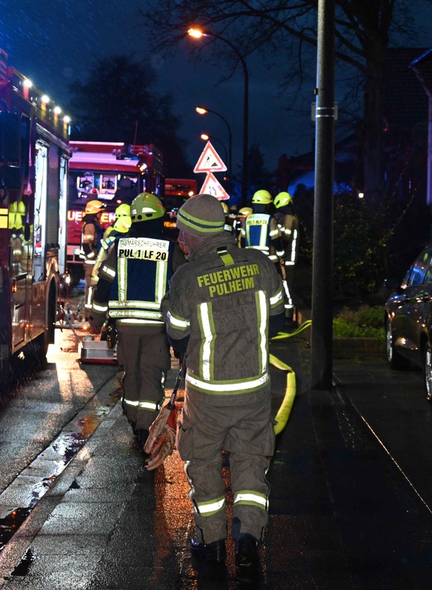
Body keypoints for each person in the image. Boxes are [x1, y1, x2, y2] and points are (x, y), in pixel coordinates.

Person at [161, 194, 284, 586]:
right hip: (254, 391)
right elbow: (279, 316)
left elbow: (177, 334)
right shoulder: (262, 265)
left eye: (182, 231)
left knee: (204, 464)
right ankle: (248, 541)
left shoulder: (187, 278)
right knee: (251, 464)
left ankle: (211, 542)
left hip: (208, 394)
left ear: (196, 235)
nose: (179, 237)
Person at [88, 193, 181, 447]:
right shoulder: (171, 249)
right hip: (157, 328)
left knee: (131, 374)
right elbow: (184, 289)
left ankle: (132, 419)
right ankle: (145, 427)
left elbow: (104, 284)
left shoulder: (118, 247)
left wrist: (96, 317)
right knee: (152, 374)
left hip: (125, 326)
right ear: (160, 218)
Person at [273, 191, 300, 324]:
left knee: (286, 285)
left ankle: (288, 316)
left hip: (288, 258)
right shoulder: (290, 217)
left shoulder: (289, 218)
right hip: (290, 257)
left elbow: (285, 238)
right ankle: (287, 314)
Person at [243, 190, 280, 265]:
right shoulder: (270, 219)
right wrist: (282, 257)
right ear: (267, 205)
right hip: (268, 261)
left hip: (250, 260)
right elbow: (276, 241)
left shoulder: (247, 219)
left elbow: (243, 240)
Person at [80, 199, 105, 295]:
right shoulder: (90, 226)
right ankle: (89, 308)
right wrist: (93, 256)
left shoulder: (95, 225)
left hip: (93, 261)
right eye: (100, 212)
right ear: (95, 213)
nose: (101, 215)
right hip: (91, 262)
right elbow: (86, 244)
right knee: (91, 286)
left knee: (94, 285)